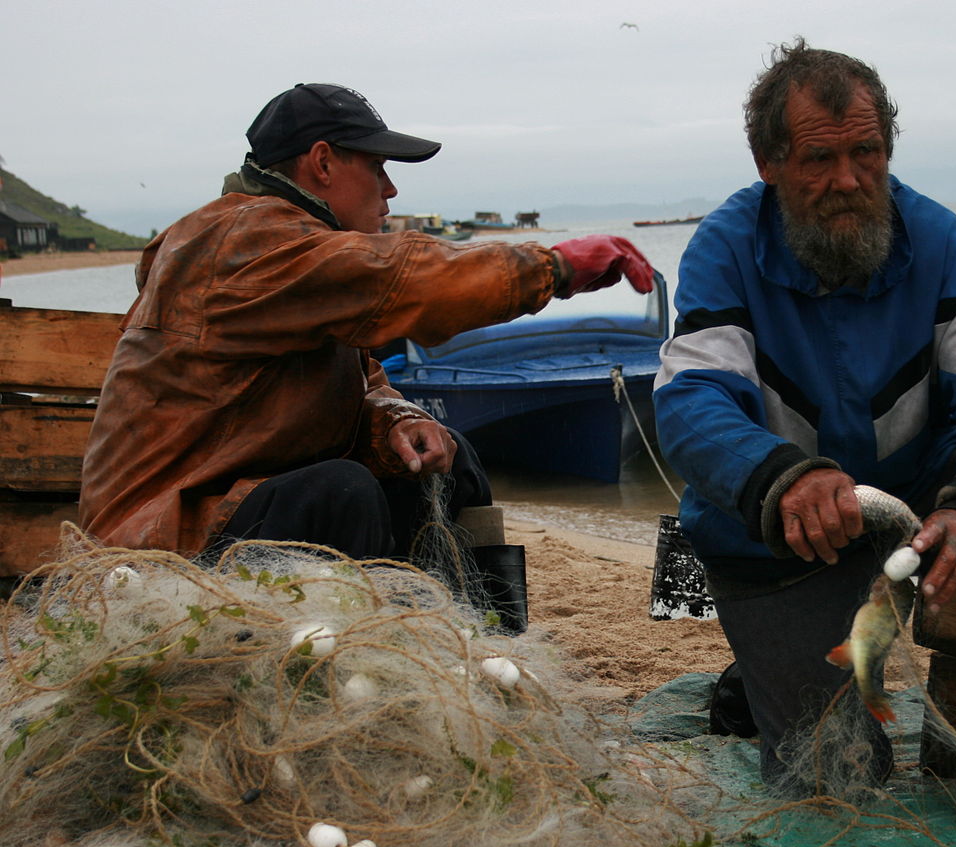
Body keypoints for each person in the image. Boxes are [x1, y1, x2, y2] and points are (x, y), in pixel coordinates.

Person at [653, 40, 956, 847]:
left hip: (908, 516)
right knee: (836, 789)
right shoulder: (723, 248)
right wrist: (785, 478)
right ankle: (753, 681)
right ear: (768, 162)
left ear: (888, 149)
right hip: (775, 542)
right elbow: (690, 406)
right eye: (819, 159)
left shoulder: (939, 240)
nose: (848, 181)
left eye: (867, 152)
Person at [80, 83, 653, 604]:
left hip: (237, 502)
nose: (391, 188)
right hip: (163, 536)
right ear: (323, 162)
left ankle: (489, 639)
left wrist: (397, 419)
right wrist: (553, 267)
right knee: (339, 491)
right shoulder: (243, 242)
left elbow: (362, 381)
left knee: (447, 456)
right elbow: (400, 278)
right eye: (378, 167)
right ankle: (351, 658)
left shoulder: (297, 252)